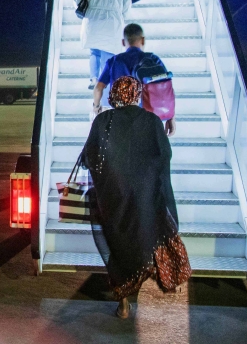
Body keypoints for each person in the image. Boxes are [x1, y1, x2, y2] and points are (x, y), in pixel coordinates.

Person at [80, 76, 191, 319]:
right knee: (145, 243)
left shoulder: (103, 120)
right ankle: (150, 291)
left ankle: (123, 304)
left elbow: (90, 158)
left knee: (118, 248)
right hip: (145, 197)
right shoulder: (151, 120)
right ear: (136, 94)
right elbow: (164, 157)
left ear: (114, 95)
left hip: (114, 199)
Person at [93, 24, 176, 136]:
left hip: (120, 118)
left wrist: (96, 107)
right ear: (143, 40)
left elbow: (98, 88)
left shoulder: (114, 61)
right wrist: (171, 117)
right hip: (147, 117)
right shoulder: (153, 60)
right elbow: (166, 88)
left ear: (123, 42)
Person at [76, 0, 131, 88]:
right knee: (108, 55)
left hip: (93, 19)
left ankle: (93, 78)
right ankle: (104, 86)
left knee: (94, 52)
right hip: (112, 22)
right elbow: (126, 9)